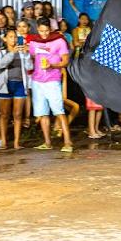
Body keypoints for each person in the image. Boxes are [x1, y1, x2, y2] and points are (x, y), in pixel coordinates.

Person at [28, 18, 74, 152]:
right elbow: (32, 58)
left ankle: (68, 142)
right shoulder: (34, 42)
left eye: (46, 31)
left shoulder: (59, 40)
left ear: (51, 29)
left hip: (52, 80)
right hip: (37, 81)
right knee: (42, 113)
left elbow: (65, 61)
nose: (44, 34)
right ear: (37, 29)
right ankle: (47, 142)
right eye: (41, 31)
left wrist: (52, 65)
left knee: (59, 111)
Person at [0, 29, 32, 150]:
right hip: (5, 85)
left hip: (19, 84)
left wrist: (27, 54)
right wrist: (12, 53)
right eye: (10, 37)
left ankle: (16, 142)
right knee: (4, 114)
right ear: (5, 39)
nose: (13, 39)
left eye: (15, 37)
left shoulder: (22, 53)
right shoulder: (1, 52)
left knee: (18, 114)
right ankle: (4, 141)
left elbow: (30, 67)